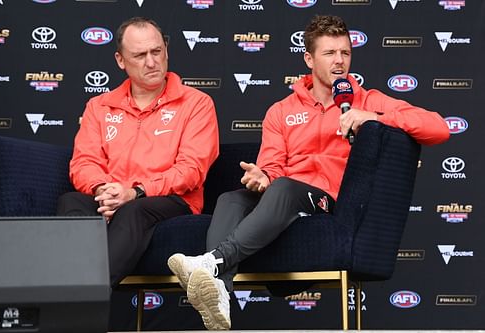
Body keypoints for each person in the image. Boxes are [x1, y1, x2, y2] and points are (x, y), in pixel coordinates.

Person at [167, 14, 450, 330]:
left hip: (326, 200)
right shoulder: (281, 110)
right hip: (282, 195)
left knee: (286, 188)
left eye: (345, 52)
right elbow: (273, 167)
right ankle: (219, 291)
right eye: (329, 53)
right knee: (232, 198)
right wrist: (263, 177)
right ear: (309, 59)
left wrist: (371, 118)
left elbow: (438, 128)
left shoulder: (368, 100)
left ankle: (212, 262)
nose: (339, 61)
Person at [57, 17, 219, 288]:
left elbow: (191, 169)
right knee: (71, 202)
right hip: (113, 196)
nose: (152, 62)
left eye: (156, 51)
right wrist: (102, 190)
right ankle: (69, 291)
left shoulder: (197, 103)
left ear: (166, 50)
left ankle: (84, 294)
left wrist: (134, 192)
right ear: (120, 60)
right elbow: (84, 162)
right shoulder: (99, 106)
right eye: (140, 55)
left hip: (169, 200)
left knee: (133, 211)